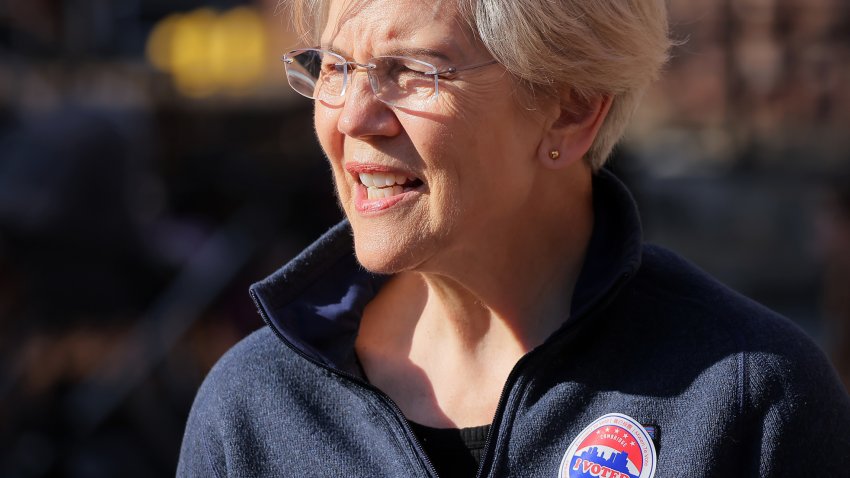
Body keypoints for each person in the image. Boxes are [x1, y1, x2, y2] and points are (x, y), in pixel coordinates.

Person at [177, 0, 850, 476]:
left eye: (412, 69)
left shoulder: (746, 399)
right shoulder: (257, 407)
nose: (353, 117)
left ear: (571, 106)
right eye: (334, 67)